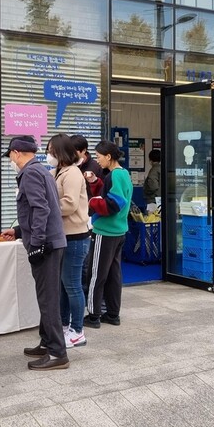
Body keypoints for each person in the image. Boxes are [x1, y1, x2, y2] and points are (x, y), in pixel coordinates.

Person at [2, 135, 69, 370]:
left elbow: (41, 209)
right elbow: (39, 210)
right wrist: (19, 231)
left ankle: (57, 353)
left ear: (16, 153)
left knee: (48, 299)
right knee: (47, 296)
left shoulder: (30, 173)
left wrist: (37, 243)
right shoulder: (41, 171)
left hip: (46, 245)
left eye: (10, 155)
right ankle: (47, 342)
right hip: (52, 242)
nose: (11, 160)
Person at [83, 140, 133, 329]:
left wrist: (91, 203)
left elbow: (113, 203)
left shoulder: (115, 175)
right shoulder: (123, 173)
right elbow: (110, 194)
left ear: (109, 157)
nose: (97, 161)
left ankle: (93, 315)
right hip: (119, 231)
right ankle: (112, 314)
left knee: (95, 275)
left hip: (105, 231)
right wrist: (95, 182)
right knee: (113, 275)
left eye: (98, 157)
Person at [46, 134, 89, 349]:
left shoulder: (72, 173)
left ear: (60, 151)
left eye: (51, 151)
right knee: (63, 285)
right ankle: (64, 325)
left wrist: (46, 207)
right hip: (62, 236)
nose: (48, 155)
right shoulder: (57, 171)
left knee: (72, 285)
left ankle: (78, 331)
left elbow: (70, 204)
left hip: (75, 236)